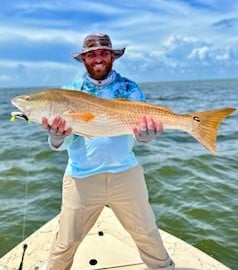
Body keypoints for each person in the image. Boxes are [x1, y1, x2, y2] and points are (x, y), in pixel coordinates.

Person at [42, 33, 175, 270]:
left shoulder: (128, 87)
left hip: (125, 173)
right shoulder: (70, 91)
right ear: (83, 59)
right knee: (65, 243)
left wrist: (145, 135)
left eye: (103, 52)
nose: (98, 58)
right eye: (91, 54)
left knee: (147, 235)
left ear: (112, 56)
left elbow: (140, 129)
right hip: (81, 177)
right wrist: (55, 136)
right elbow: (63, 140)